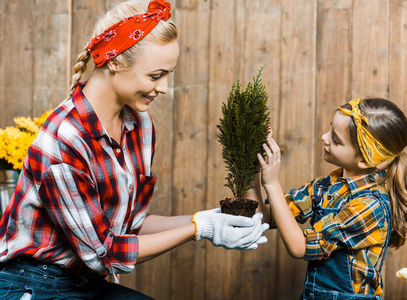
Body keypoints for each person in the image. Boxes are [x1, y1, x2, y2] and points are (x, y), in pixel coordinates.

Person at [0, 0, 268, 299]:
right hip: (32, 284)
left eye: (168, 74)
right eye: (156, 76)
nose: (165, 87)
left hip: (86, 283)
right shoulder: (63, 141)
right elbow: (104, 255)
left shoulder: (140, 125)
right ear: (114, 62)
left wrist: (211, 217)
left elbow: (131, 225)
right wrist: (199, 228)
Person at [247, 98, 407, 299]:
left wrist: (272, 185)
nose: (324, 137)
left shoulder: (370, 206)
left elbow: (300, 247)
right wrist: (253, 165)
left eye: (336, 140)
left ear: (364, 160)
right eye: (330, 130)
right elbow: (262, 217)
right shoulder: (323, 187)